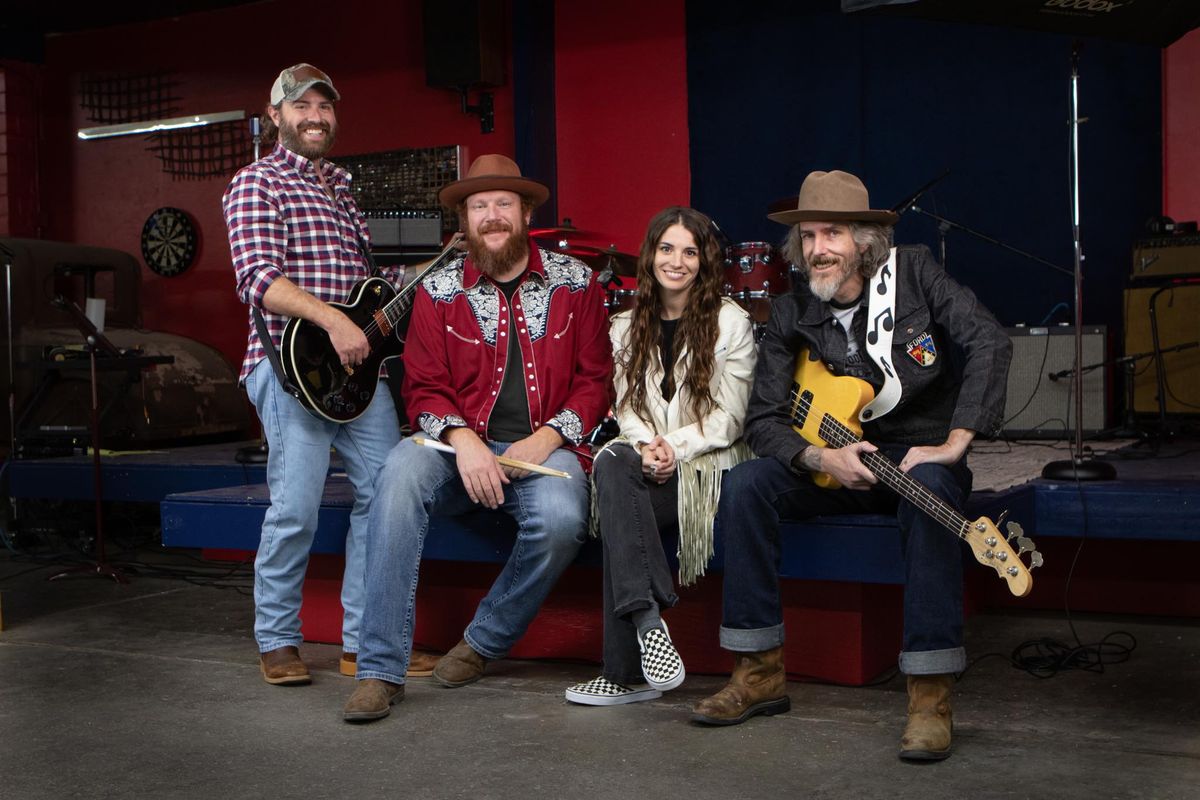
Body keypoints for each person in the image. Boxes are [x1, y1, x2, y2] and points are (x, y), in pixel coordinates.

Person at [692, 170, 1011, 762]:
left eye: (832, 233)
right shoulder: (789, 314)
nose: (818, 249)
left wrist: (956, 442)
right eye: (808, 236)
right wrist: (818, 456)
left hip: (914, 457)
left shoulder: (914, 275)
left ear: (864, 239)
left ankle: (929, 696)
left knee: (932, 489)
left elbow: (988, 340)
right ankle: (758, 673)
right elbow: (763, 418)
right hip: (833, 464)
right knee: (745, 484)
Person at [342, 154, 613, 723]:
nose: (492, 216)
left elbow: (595, 382)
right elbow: (422, 387)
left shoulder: (578, 284)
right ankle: (379, 671)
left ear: (527, 212)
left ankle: (484, 641)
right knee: (394, 478)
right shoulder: (435, 290)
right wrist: (464, 441)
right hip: (454, 447)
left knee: (564, 518)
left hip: (545, 448)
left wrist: (546, 440)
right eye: (479, 206)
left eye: (503, 205)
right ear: (464, 220)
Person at [223, 63, 439, 685]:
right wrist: (333, 323)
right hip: (290, 369)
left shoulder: (341, 188)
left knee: (386, 498)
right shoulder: (256, 184)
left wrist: (441, 264)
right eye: (302, 106)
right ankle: (277, 640)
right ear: (276, 117)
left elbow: (366, 294)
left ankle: (362, 644)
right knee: (295, 508)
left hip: (355, 376)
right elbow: (259, 280)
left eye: (324, 106)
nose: (315, 116)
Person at [563, 207, 757, 706]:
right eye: (667, 249)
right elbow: (626, 407)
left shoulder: (730, 321)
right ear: (650, 256)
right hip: (648, 462)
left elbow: (731, 418)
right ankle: (650, 624)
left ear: (704, 261)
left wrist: (675, 447)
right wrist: (648, 446)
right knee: (611, 461)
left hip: (708, 466)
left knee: (620, 509)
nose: (677, 261)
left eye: (689, 252)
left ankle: (623, 670)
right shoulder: (625, 326)